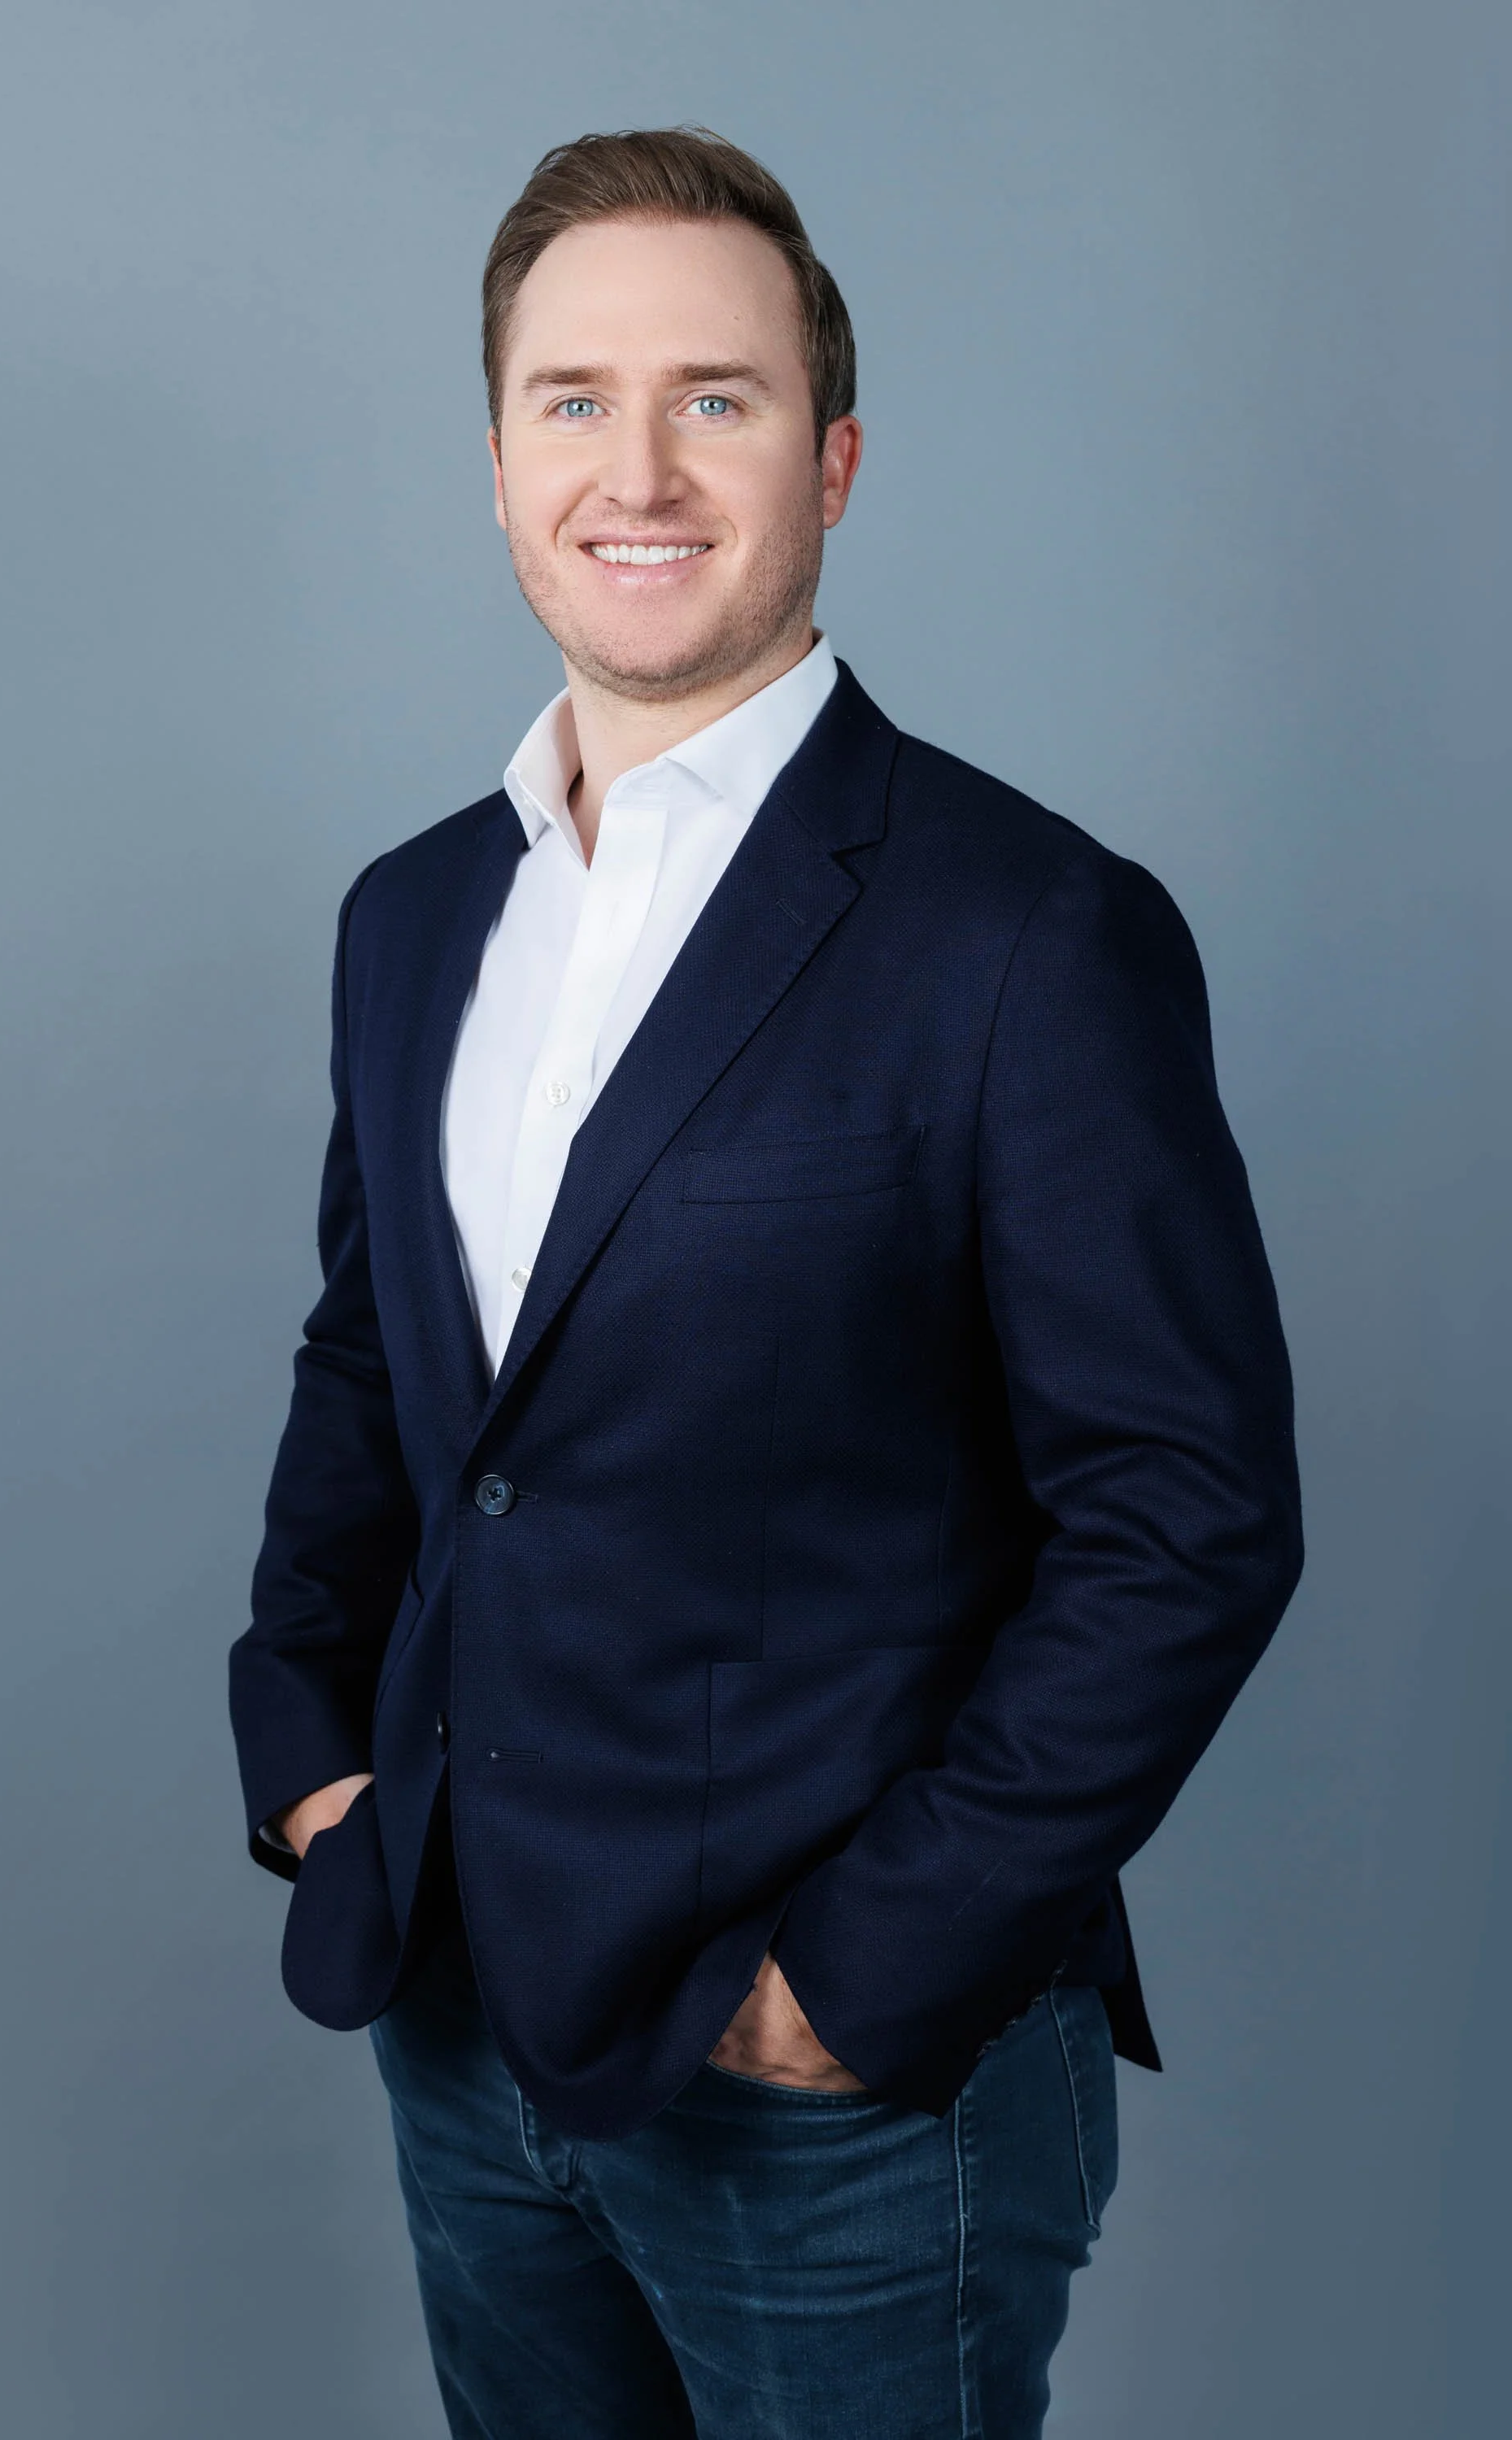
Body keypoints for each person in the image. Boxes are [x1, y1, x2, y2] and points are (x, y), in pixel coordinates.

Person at [228, 125, 1303, 2440]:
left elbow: (1189, 1517)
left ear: (832, 460)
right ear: (497, 467)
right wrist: (309, 1750)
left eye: (712, 398)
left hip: (838, 2108)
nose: (637, 471)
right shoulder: (413, 915)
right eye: (572, 400)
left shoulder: (1031, 931)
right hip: (461, 2027)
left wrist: (861, 1977)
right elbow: (378, 1366)